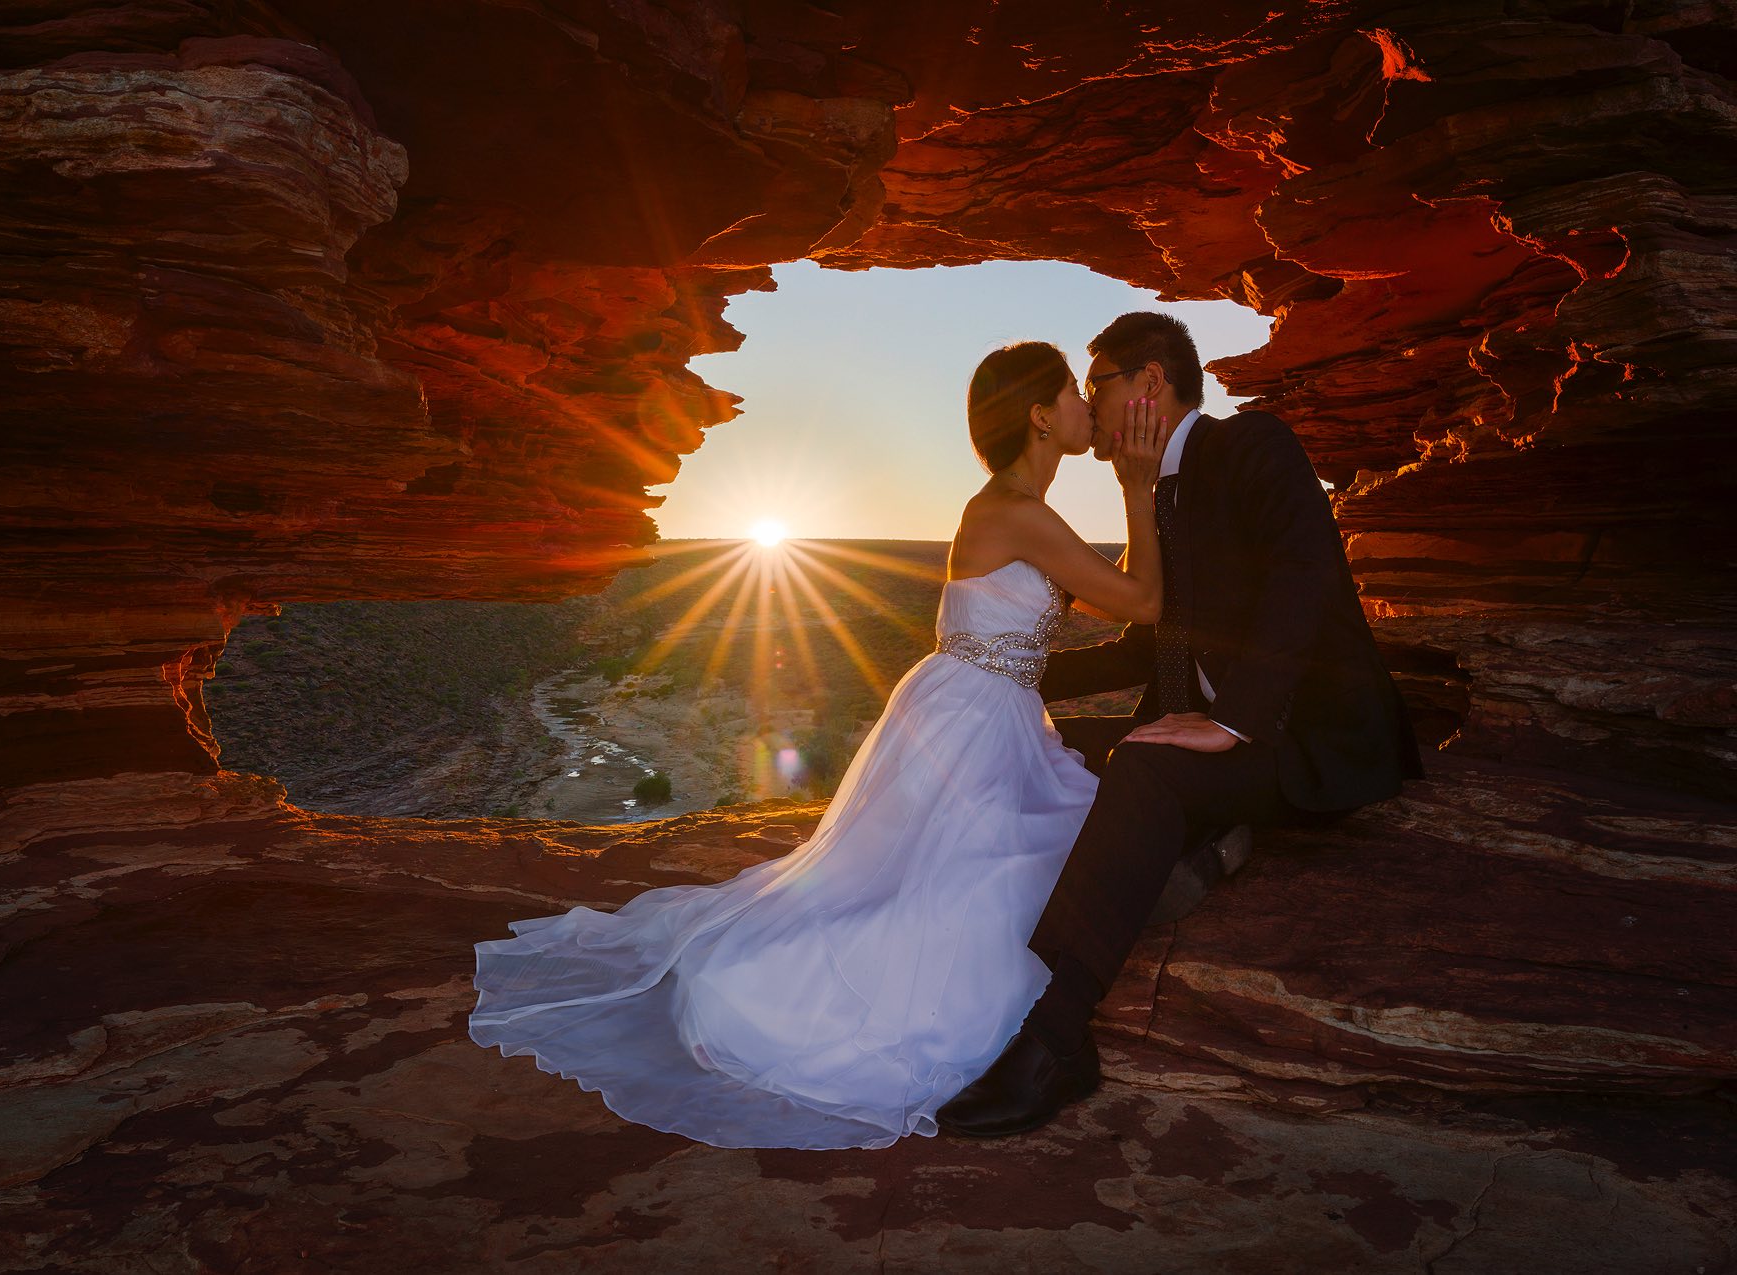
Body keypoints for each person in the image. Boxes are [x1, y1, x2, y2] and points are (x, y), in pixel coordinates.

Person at [467, 341, 1173, 1150]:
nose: (1091, 405)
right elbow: (1143, 599)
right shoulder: (1017, 513)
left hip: (977, 709)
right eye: (1074, 395)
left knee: (980, 862)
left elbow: (1111, 588)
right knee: (969, 883)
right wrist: (1139, 487)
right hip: (974, 715)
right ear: (1041, 416)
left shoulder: (1019, 511)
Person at [935, 312, 1427, 1138]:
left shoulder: (1251, 447)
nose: (1090, 403)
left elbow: (1305, 578)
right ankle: (1204, 839)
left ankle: (1055, 1041)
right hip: (1217, 740)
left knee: (1143, 767)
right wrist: (1000, 678)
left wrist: (1232, 722)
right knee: (1042, 755)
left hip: (1298, 745)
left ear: (1149, 385)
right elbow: (1149, 636)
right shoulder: (1160, 496)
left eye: (1100, 385)